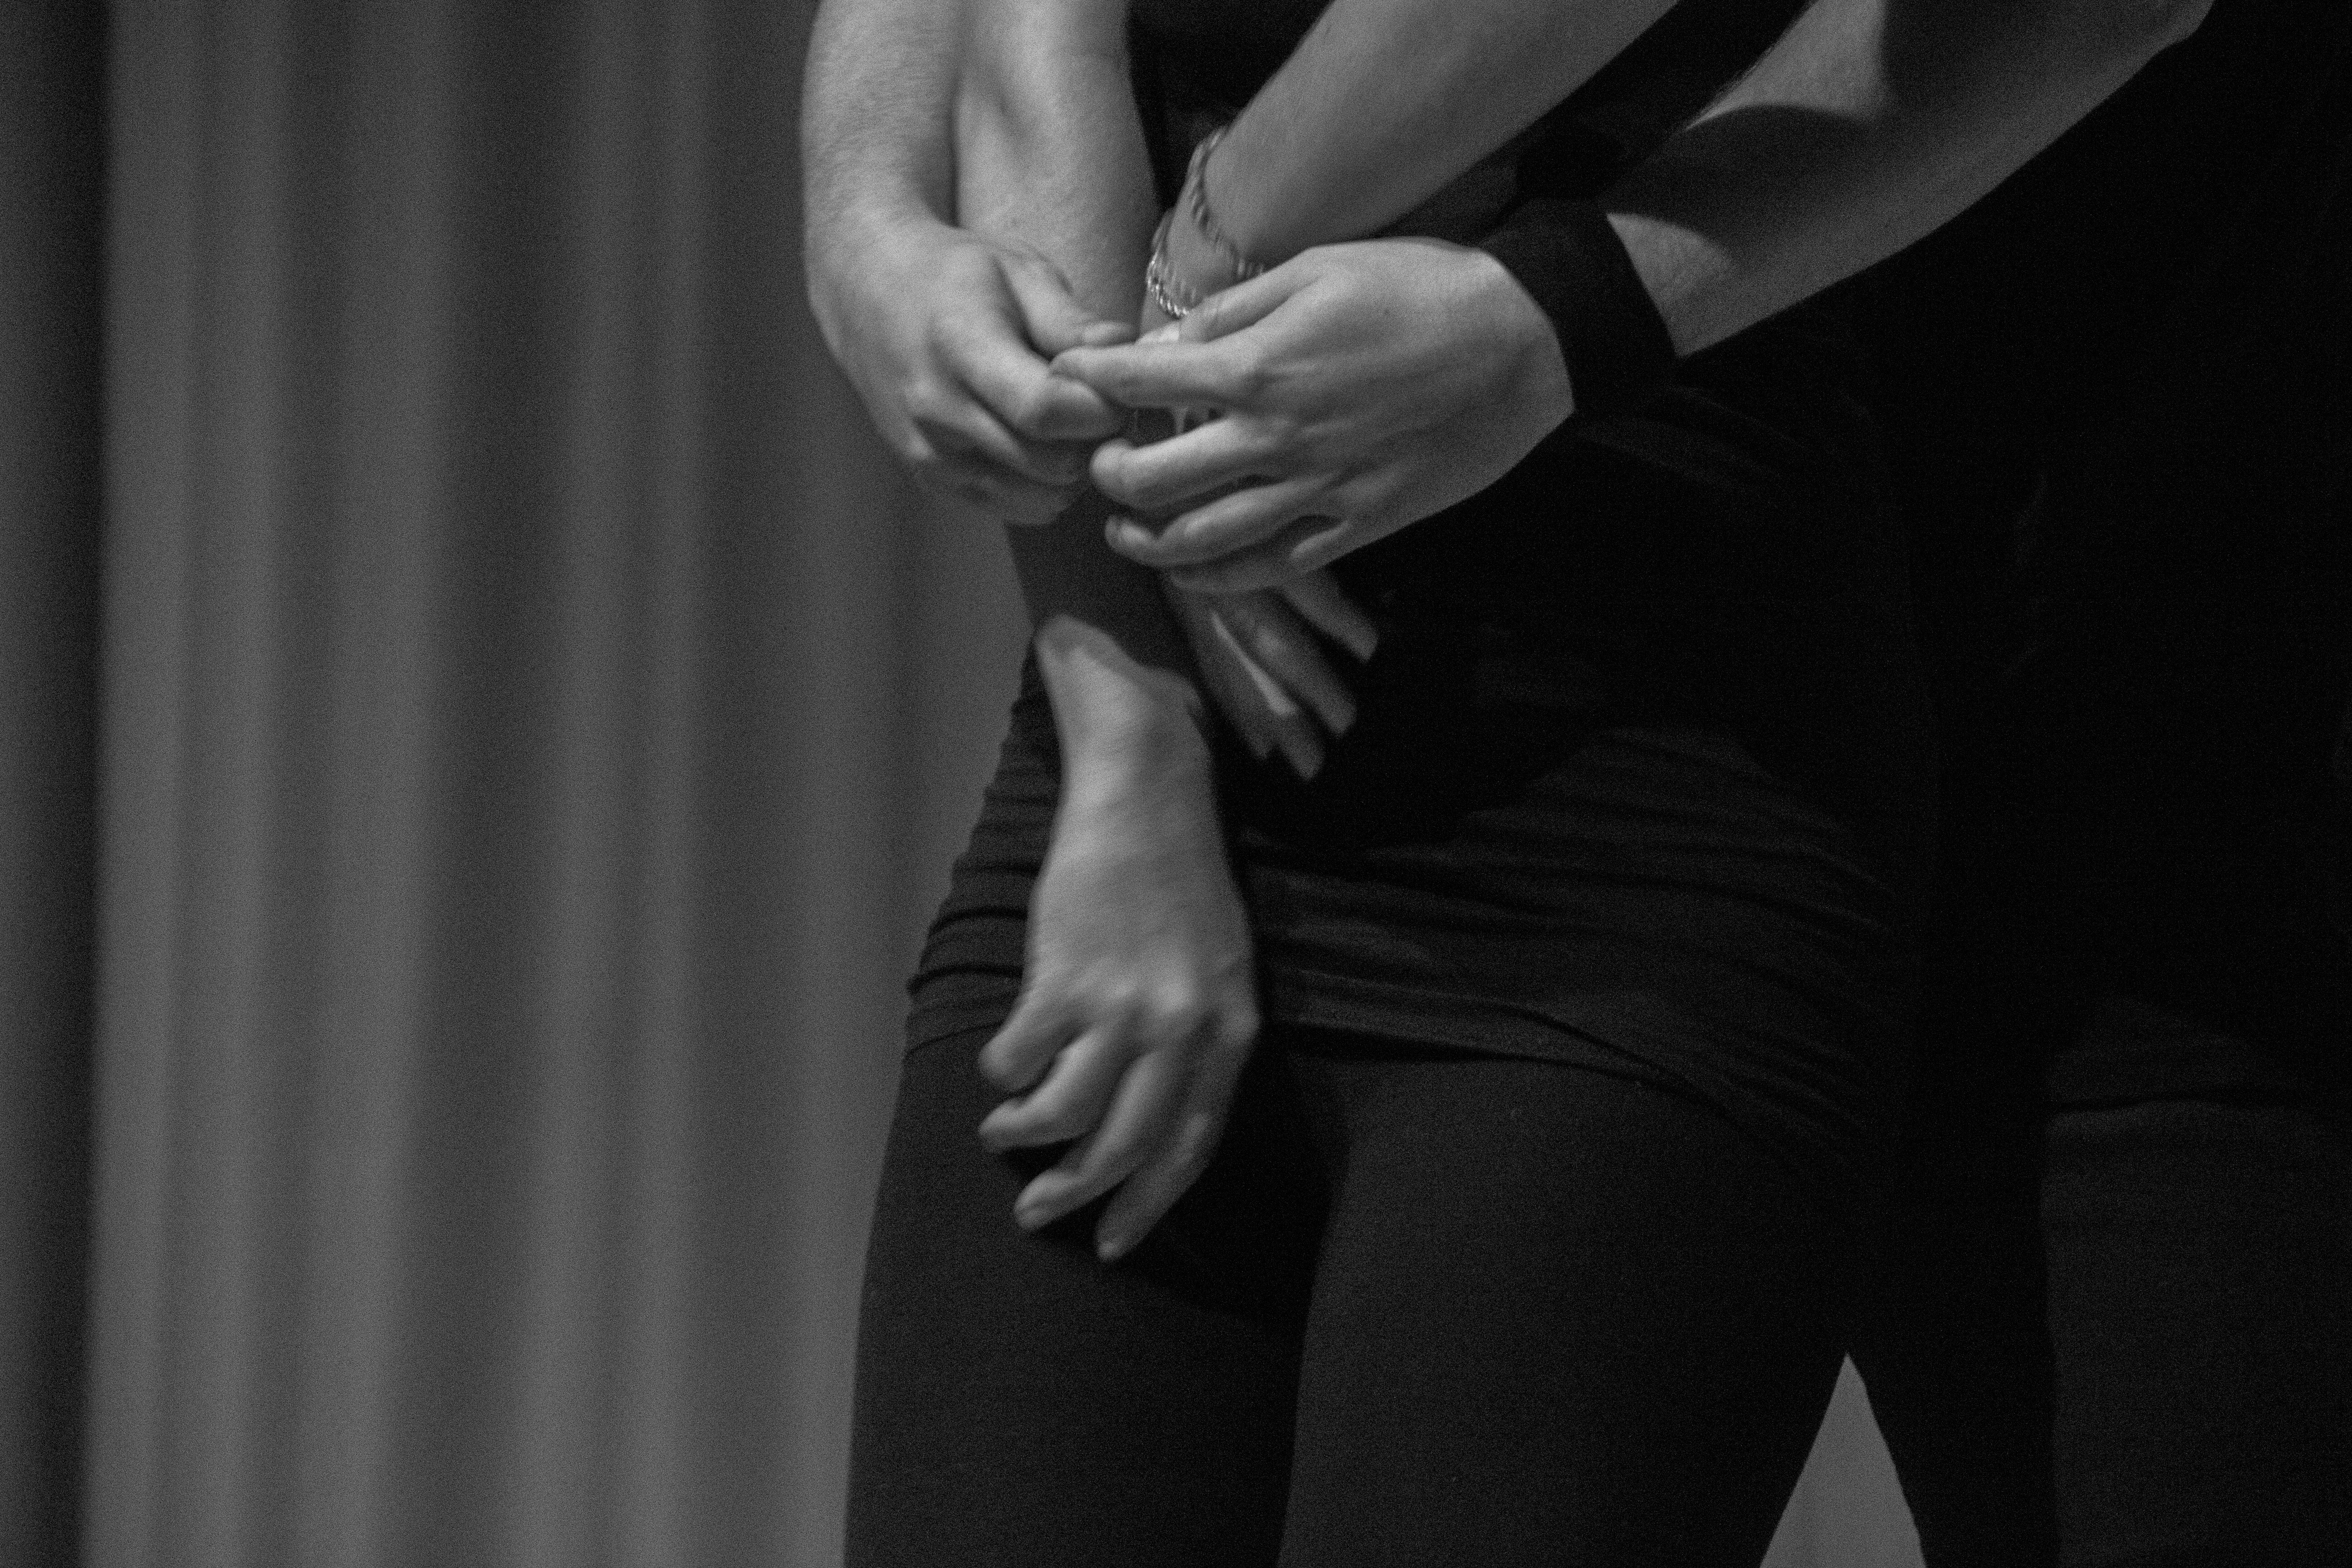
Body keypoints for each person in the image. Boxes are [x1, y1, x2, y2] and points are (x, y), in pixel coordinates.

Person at [801, 0, 2213, 1561]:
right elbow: (1026, 47)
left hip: (1646, 779)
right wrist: (1128, 725)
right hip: (1140, 765)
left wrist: (1230, 279)